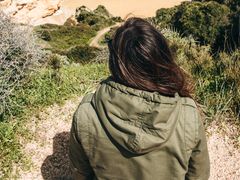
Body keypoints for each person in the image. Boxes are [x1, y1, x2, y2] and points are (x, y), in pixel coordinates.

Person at [69, 17, 210, 180]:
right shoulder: (188, 115)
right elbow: (198, 175)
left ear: (115, 62)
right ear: (163, 59)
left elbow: (81, 174)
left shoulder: (87, 114)